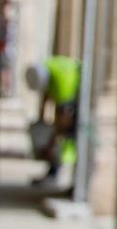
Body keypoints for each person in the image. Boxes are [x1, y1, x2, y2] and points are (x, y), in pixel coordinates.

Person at [25, 57, 81, 189]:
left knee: (72, 135)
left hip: (80, 101)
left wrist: (51, 142)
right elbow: (44, 99)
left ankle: (68, 177)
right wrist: (41, 124)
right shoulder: (46, 69)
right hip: (70, 99)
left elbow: (65, 119)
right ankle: (53, 171)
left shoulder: (63, 83)